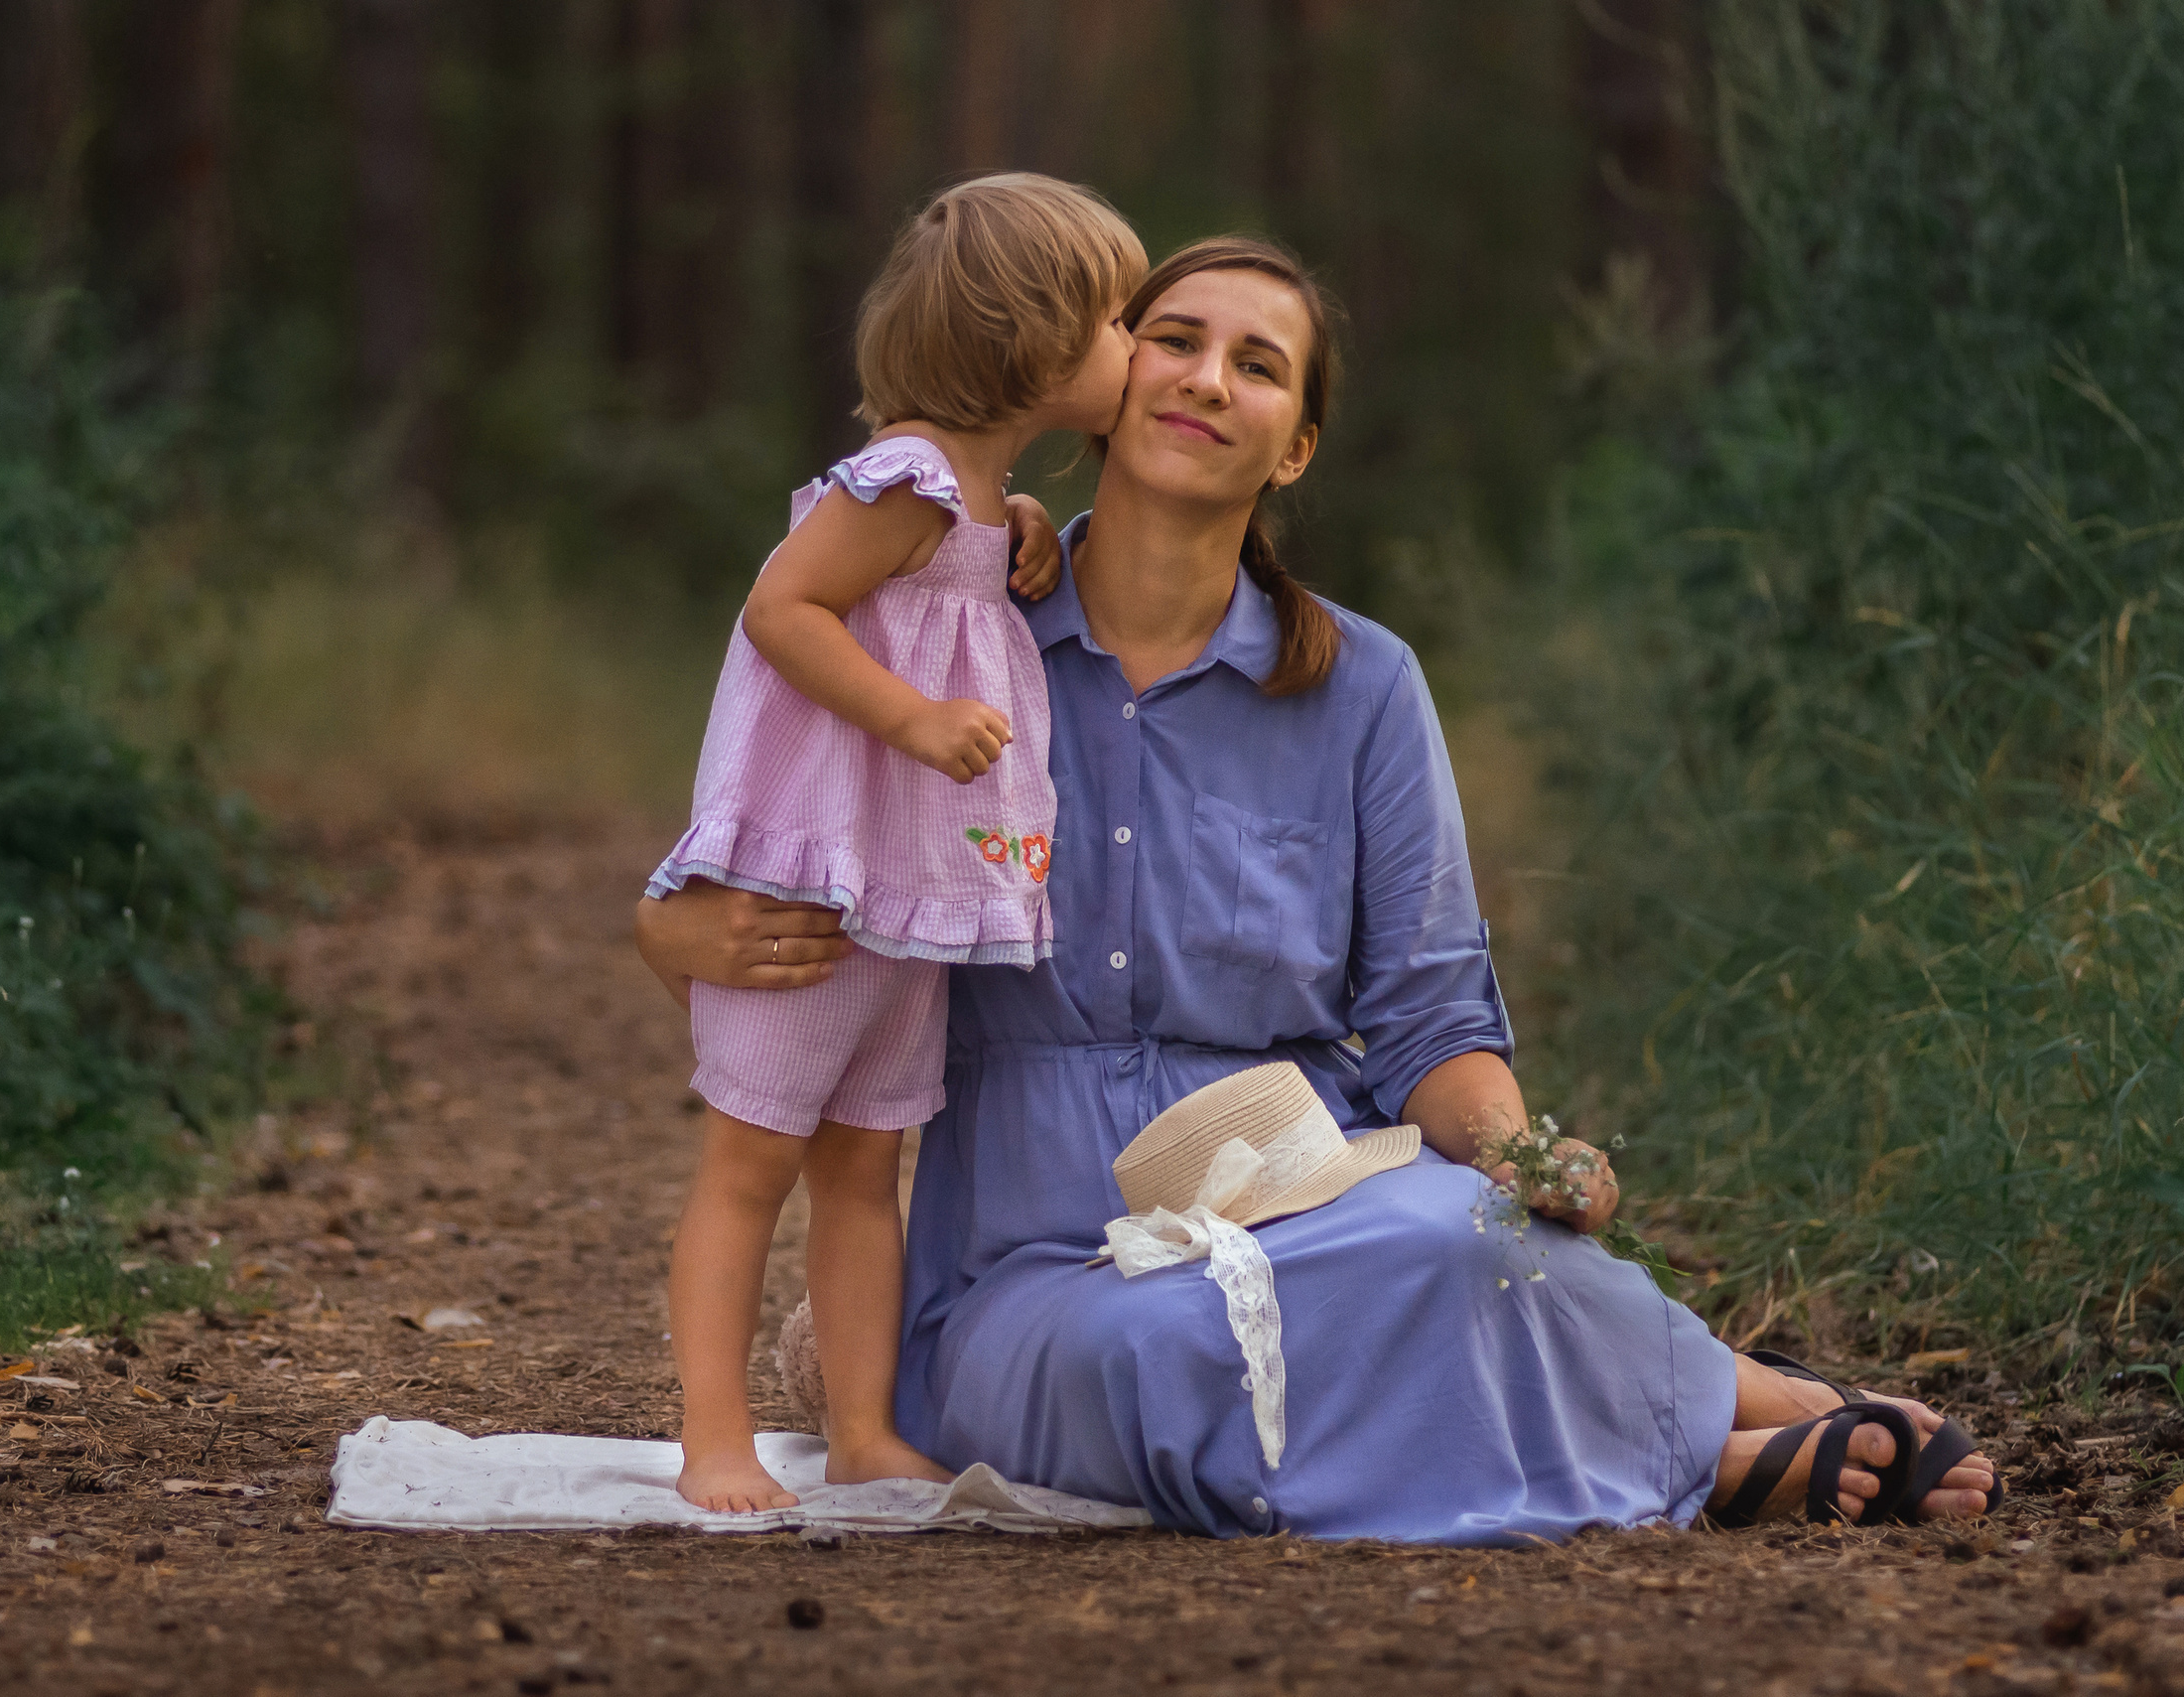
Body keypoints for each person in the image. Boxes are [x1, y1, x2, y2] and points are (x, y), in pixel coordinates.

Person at [638, 235, 1999, 1539]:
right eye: (1172, 339)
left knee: (1468, 1233)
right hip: (1047, 1261)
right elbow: (785, 797)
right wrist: (670, 919)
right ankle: (1702, 1454)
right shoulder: (951, 632)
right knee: (1166, 1350)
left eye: (1259, 363)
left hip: (1313, 1185)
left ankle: (1728, 1425)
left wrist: (1527, 1159)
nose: (1206, 378)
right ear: (1107, 384)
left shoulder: (1364, 687)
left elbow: (1427, 1018)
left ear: (1292, 445)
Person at [644, 173, 1146, 1513]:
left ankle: (861, 1429)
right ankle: (712, 1433)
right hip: (820, 880)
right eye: (1118, 321)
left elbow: (954, 573)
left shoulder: (977, 504)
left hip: (912, 894)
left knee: (866, 1168)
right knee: (750, 1161)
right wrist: (914, 720)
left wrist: (1025, 528)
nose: (1137, 348)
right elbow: (784, 608)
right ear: (1032, 343)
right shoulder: (909, 479)